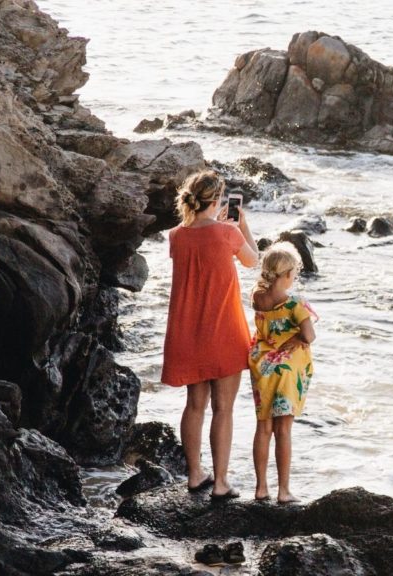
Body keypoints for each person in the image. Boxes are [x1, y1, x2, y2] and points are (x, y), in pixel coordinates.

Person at [161, 170, 258, 500]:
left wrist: (218, 224)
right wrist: (241, 225)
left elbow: (196, 245)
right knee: (224, 409)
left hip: (188, 331)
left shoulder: (175, 236)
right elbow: (252, 261)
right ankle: (220, 482)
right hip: (224, 330)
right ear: (218, 201)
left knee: (195, 406)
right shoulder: (226, 233)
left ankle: (194, 474)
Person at [248, 243, 317, 503]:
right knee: (284, 430)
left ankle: (261, 488)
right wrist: (298, 337)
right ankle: (284, 490)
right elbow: (310, 335)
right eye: (295, 272)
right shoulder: (295, 303)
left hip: (262, 365)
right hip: (287, 369)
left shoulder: (257, 296)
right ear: (287, 274)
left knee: (263, 426)